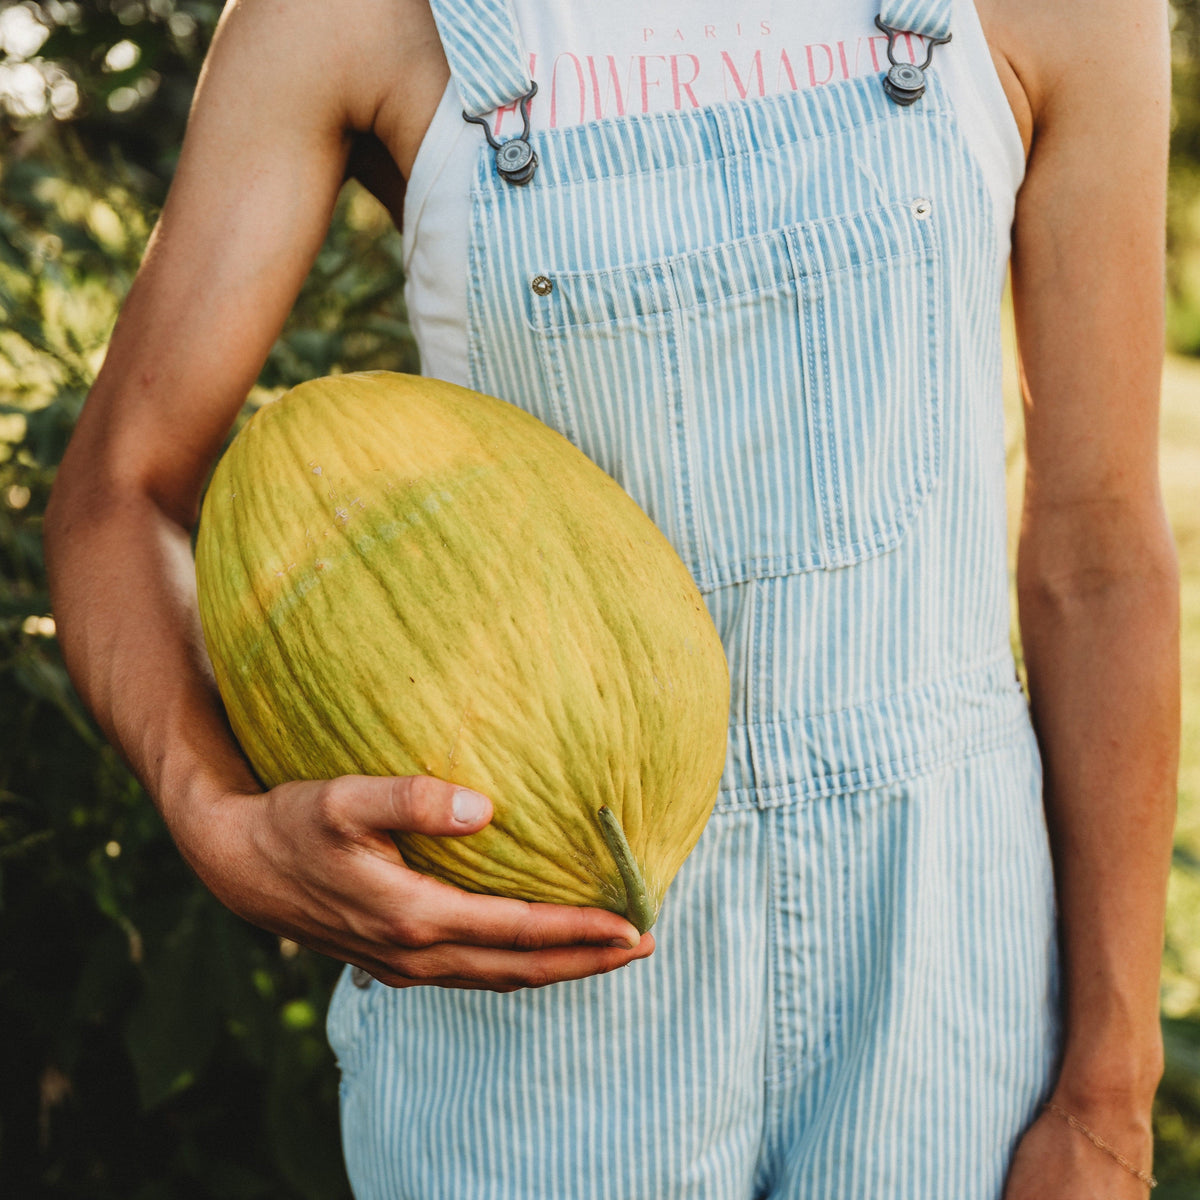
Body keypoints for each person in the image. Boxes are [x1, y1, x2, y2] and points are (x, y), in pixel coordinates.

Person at [43, 0, 1179, 1196]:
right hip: (529, 1002)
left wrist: (1109, 1095)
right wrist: (210, 810)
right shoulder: (345, 18)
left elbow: (1096, 550)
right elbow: (122, 490)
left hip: (950, 980)